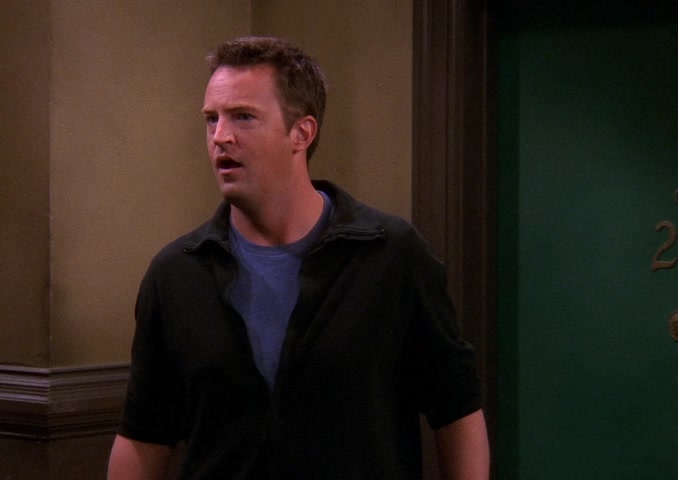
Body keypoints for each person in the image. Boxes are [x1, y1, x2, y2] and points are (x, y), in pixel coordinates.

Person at [108, 36, 489, 479]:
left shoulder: (391, 255)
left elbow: (456, 410)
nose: (220, 137)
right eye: (211, 119)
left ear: (301, 133)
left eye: (243, 117)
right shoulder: (177, 273)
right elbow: (144, 435)